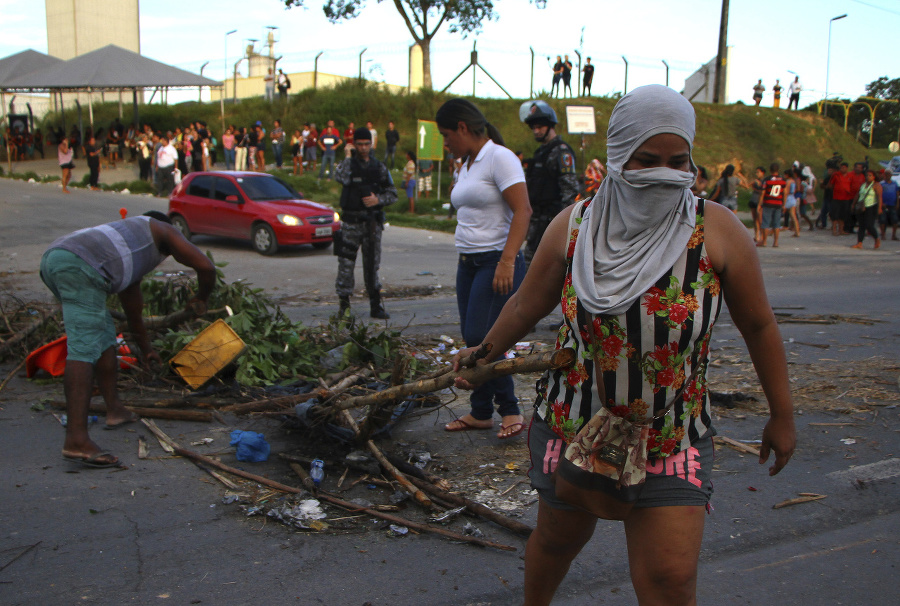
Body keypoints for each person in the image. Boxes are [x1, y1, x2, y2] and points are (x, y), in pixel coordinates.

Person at [450, 84, 795, 605]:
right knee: (559, 542)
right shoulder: (576, 226)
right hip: (574, 425)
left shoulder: (716, 230)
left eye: (678, 161)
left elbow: (760, 326)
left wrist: (782, 414)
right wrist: (484, 354)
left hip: (671, 432)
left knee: (670, 579)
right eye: (646, 160)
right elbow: (525, 305)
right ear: (616, 157)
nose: (665, 174)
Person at [40, 212, 216, 468]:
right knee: (84, 346)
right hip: (77, 264)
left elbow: (133, 311)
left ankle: (115, 410)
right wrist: (201, 296)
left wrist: (146, 350)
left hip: (57, 259)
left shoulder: (128, 249)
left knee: (104, 336)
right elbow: (206, 266)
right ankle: (76, 439)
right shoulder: (163, 230)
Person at [435, 98, 531, 439]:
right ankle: (480, 412)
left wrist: (507, 260)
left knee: (484, 340)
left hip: (495, 261)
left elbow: (523, 211)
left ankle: (509, 411)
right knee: (473, 338)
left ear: (463, 127)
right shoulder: (467, 162)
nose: (445, 142)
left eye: (446, 134)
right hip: (468, 262)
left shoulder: (500, 157)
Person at [333, 127, 397, 319]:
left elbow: (392, 193)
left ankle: (375, 306)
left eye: (366, 144)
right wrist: (347, 155)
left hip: (371, 225)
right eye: (359, 144)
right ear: (354, 144)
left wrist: (378, 200)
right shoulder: (349, 165)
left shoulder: (379, 167)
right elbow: (340, 177)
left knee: (372, 266)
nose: (363, 148)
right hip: (351, 223)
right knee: (345, 265)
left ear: (371, 144)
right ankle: (344, 308)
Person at [520, 100, 579, 265]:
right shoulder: (540, 152)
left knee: (547, 268)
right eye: (533, 128)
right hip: (536, 221)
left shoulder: (561, 152)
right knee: (529, 267)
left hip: (551, 222)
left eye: (540, 127)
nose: (536, 131)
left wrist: (561, 225)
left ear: (550, 125)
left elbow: (570, 191)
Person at [758, 162, 788, 247]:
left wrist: (760, 204)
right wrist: (784, 204)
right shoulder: (782, 180)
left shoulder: (767, 180)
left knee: (765, 223)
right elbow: (785, 193)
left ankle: (764, 241)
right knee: (776, 223)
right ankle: (776, 242)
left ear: (770, 170)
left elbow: (763, 193)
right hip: (778, 203)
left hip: (768, 203)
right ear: (778, 170)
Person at [851, 170, 882, 249]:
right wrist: (853, 204)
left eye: (870, 175)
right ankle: (859, 243)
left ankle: (876, 238)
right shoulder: (863, 185)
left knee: (869, 225)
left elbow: (879, 197)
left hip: (871, 207)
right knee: (861, 225)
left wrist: (879, 208)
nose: (868, 177)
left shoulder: (876, 185)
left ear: (874, 177)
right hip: (861, 207)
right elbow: (858, 194)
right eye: (867, 175)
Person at [829, 162, 854, 236]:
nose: (842, 169)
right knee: (835, 215)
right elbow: (831, 184)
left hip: (846, 198)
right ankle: (834, 230)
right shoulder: (836, 175)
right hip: (836, 198)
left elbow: (852, 185)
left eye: (844, 167)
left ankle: (841, 230)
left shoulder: (850, 176)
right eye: (841, 167)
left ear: (847, 168)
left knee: (843, 215)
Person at [880, 169, 899, 240]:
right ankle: (883, 235)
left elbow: (897, 194)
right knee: (882, 220)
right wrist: (881, 203)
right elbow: (879, 195)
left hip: (892, 204)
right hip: (884, 205)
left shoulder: (894, 183)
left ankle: (893, 235)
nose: (888, 176)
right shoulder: (881, 184)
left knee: (895, 220)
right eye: (886, 174)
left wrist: (897, 203)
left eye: (889, 174)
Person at [749, 165, 766, 241]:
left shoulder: (764, 181)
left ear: (763, 173)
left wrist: (757, 187)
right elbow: (747, 185)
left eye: (758, 172)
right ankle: (756, 235)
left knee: (760, 219)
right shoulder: (756, 180)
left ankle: (762, 235)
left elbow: (763, 192)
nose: (757, 174)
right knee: (755, 219)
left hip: (760, 201)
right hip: (753, 199)